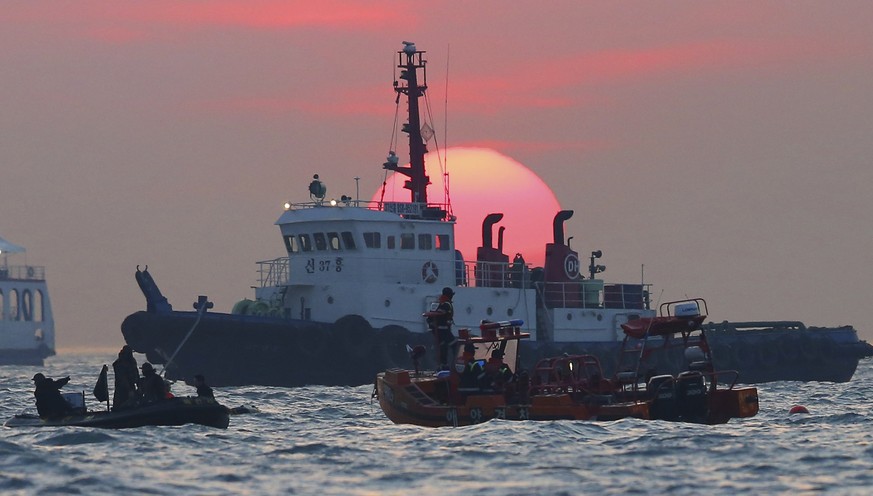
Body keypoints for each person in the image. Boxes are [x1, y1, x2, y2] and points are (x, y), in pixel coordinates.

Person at [428, 287, 457, 370]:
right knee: (455, 345)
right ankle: (457, 365)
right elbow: (441, 313)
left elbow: (431, 316)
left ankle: (443, 366)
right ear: (449, 295)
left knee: (443, 347)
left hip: (437, 330)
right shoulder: (446, 304)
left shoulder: (437, 303)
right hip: (444, 330)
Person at [112, 345, 139, 410]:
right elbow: (122, 378)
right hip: (122, 388)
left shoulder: (132, 361)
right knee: (120, 404)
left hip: (131, 385)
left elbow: (136, 373)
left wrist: (139, 385)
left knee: (132, 403)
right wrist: (129, 389)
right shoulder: (119, 363)